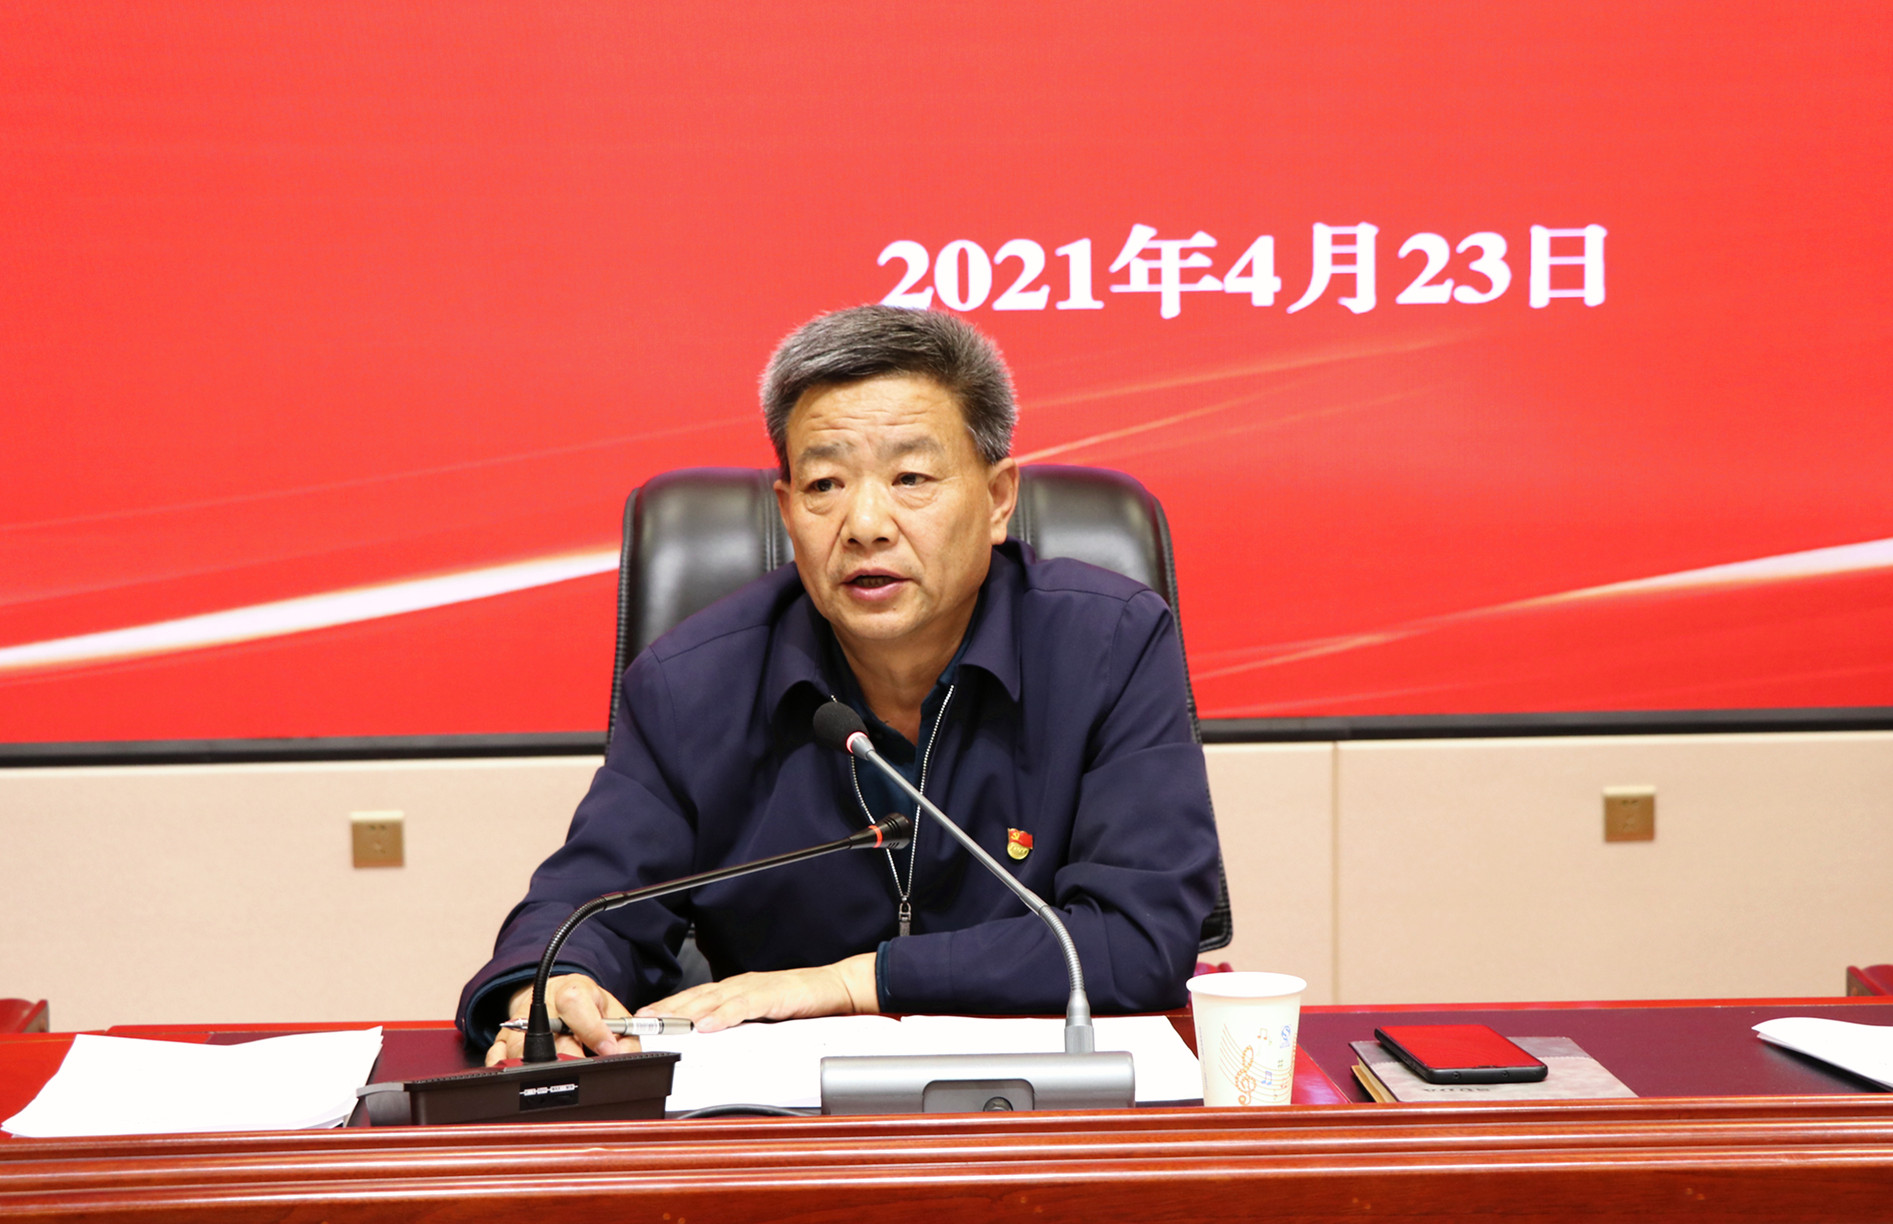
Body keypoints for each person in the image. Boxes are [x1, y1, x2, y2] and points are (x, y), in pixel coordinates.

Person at [461, 305, 1221, 1064]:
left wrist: (854, 982)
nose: (864, 524)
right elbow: (588, 905)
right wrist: (551, 986)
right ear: (788, 510)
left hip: (1042, 1106)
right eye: (825, 483)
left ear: (997, 500)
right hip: (779, 1113)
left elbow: (1140, 938)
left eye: (910, 477)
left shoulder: (1107, 644)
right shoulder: (690, 685)